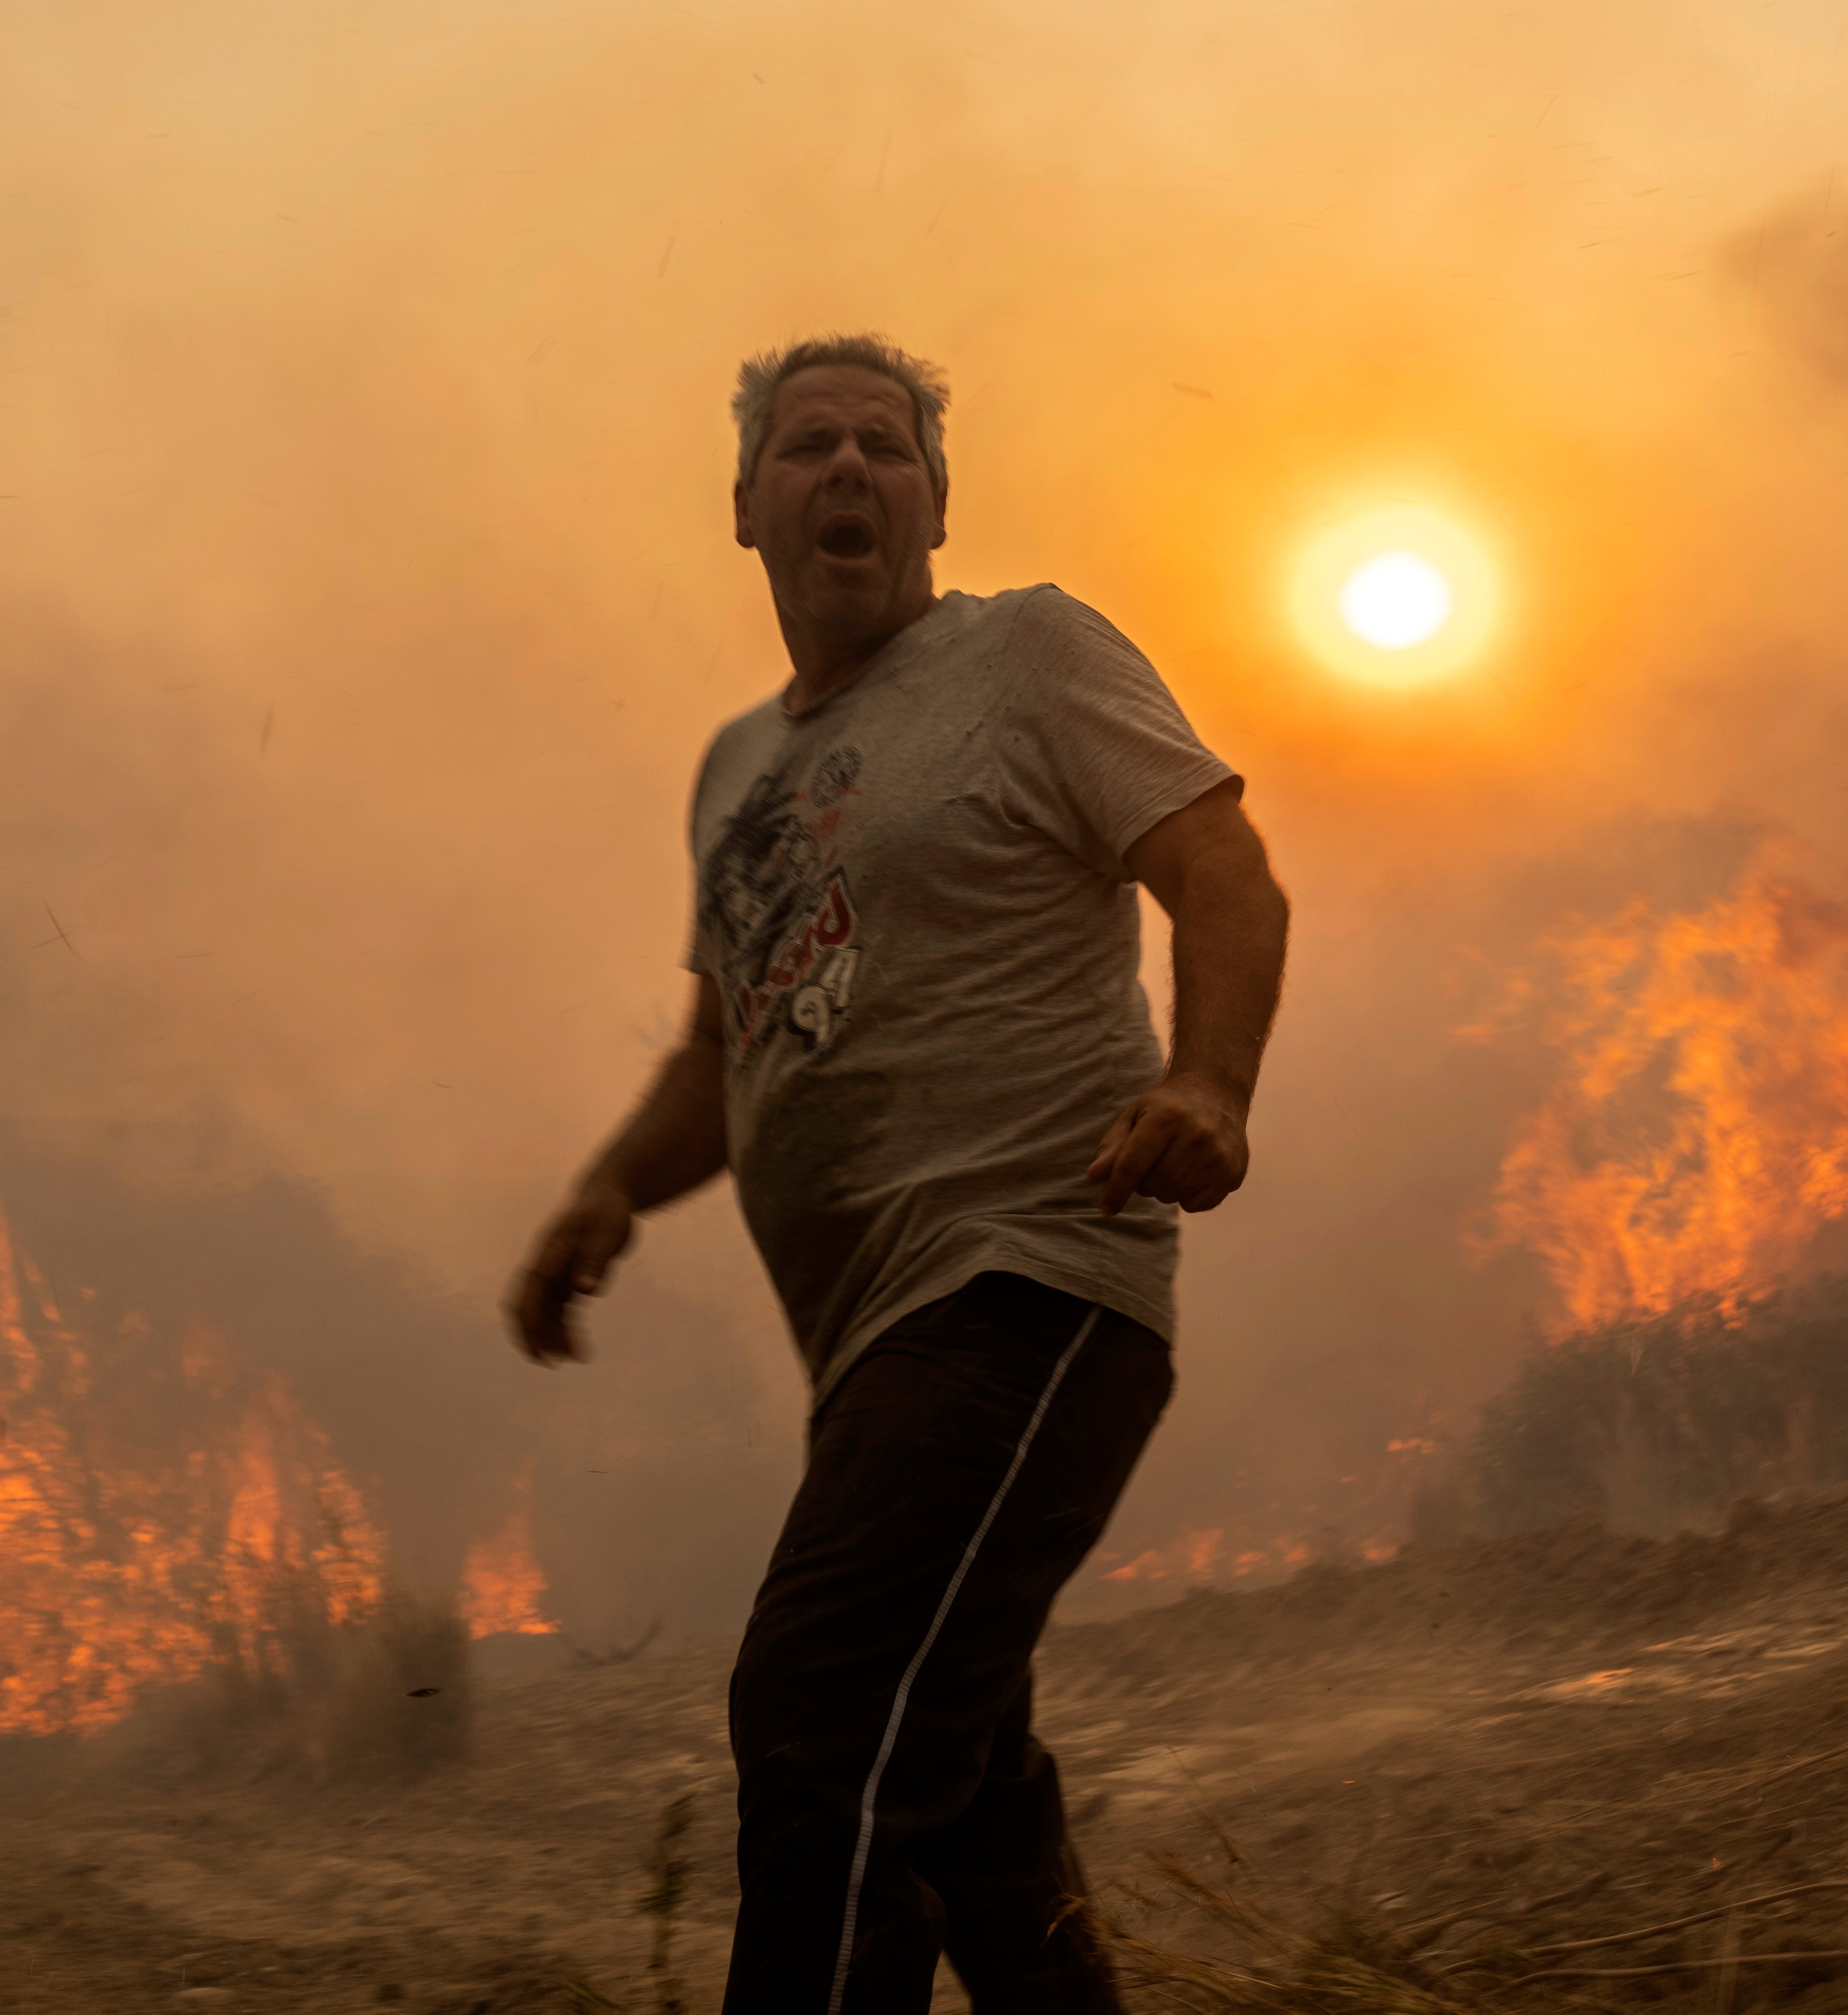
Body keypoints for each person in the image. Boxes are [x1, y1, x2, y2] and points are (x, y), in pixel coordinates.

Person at [506, 334, 1290, 2015]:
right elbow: (724, 1061)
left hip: (1028, 1279)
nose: (848, 467)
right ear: (745, 507)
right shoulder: (736, 773)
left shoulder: (1028, 654)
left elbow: (1223, 869)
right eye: (808, 446)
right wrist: (604, 1192)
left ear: (940, 497)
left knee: (821, 1707)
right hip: (872, 1351)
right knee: (964, 1794)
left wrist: (1210, 1079)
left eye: (885, 443)